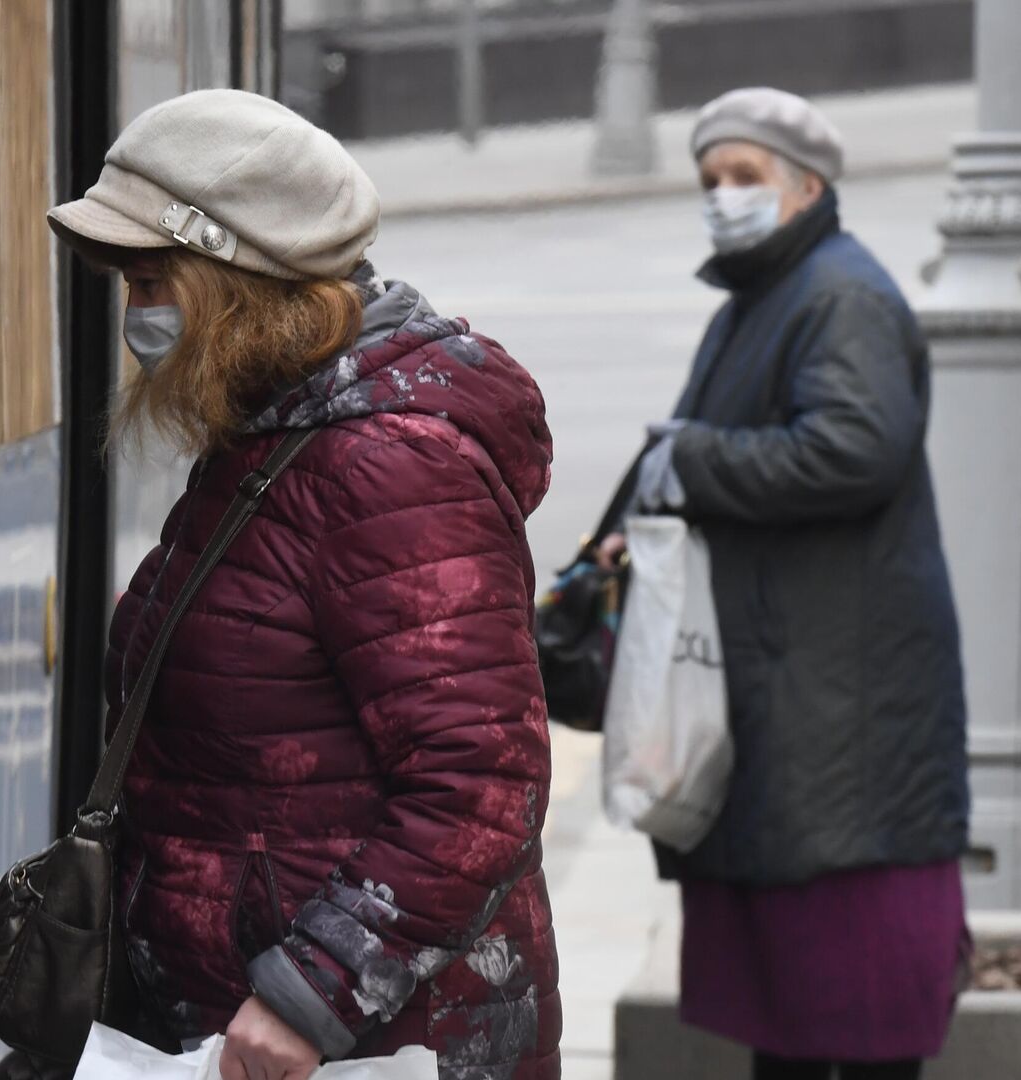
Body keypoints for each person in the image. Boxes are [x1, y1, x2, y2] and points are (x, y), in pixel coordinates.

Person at [48, 89, 559, 1080]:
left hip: (368, 1045)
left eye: (154, 283)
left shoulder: (384, 465)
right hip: (258, 1025)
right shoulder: (280, 435)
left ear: (234, 283)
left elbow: (481, 781)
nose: (136, 318)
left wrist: (310, 996)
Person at [595, 88, 970, 1080]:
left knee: (852, 1006)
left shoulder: (836, 295)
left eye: (744, 177)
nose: (722, 197)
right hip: (805, 697)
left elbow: (855, 449)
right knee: (796, 1016)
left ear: (807, 187)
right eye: (710, 179)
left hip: (841, 716)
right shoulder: (772, 293)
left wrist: (692, 461)